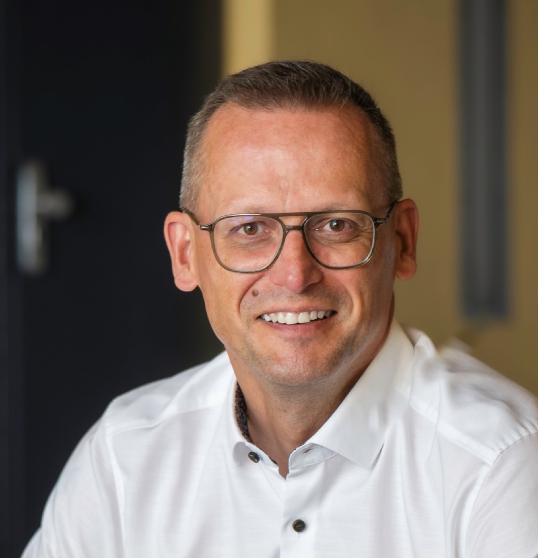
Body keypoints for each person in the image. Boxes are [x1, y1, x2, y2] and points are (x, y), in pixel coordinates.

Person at [23, 61, 538, 558]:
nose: (295, 274)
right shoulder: (126, 457)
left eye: (336, 225)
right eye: (249, 228)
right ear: (184, 254)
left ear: (402, 241)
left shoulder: (499, 465)